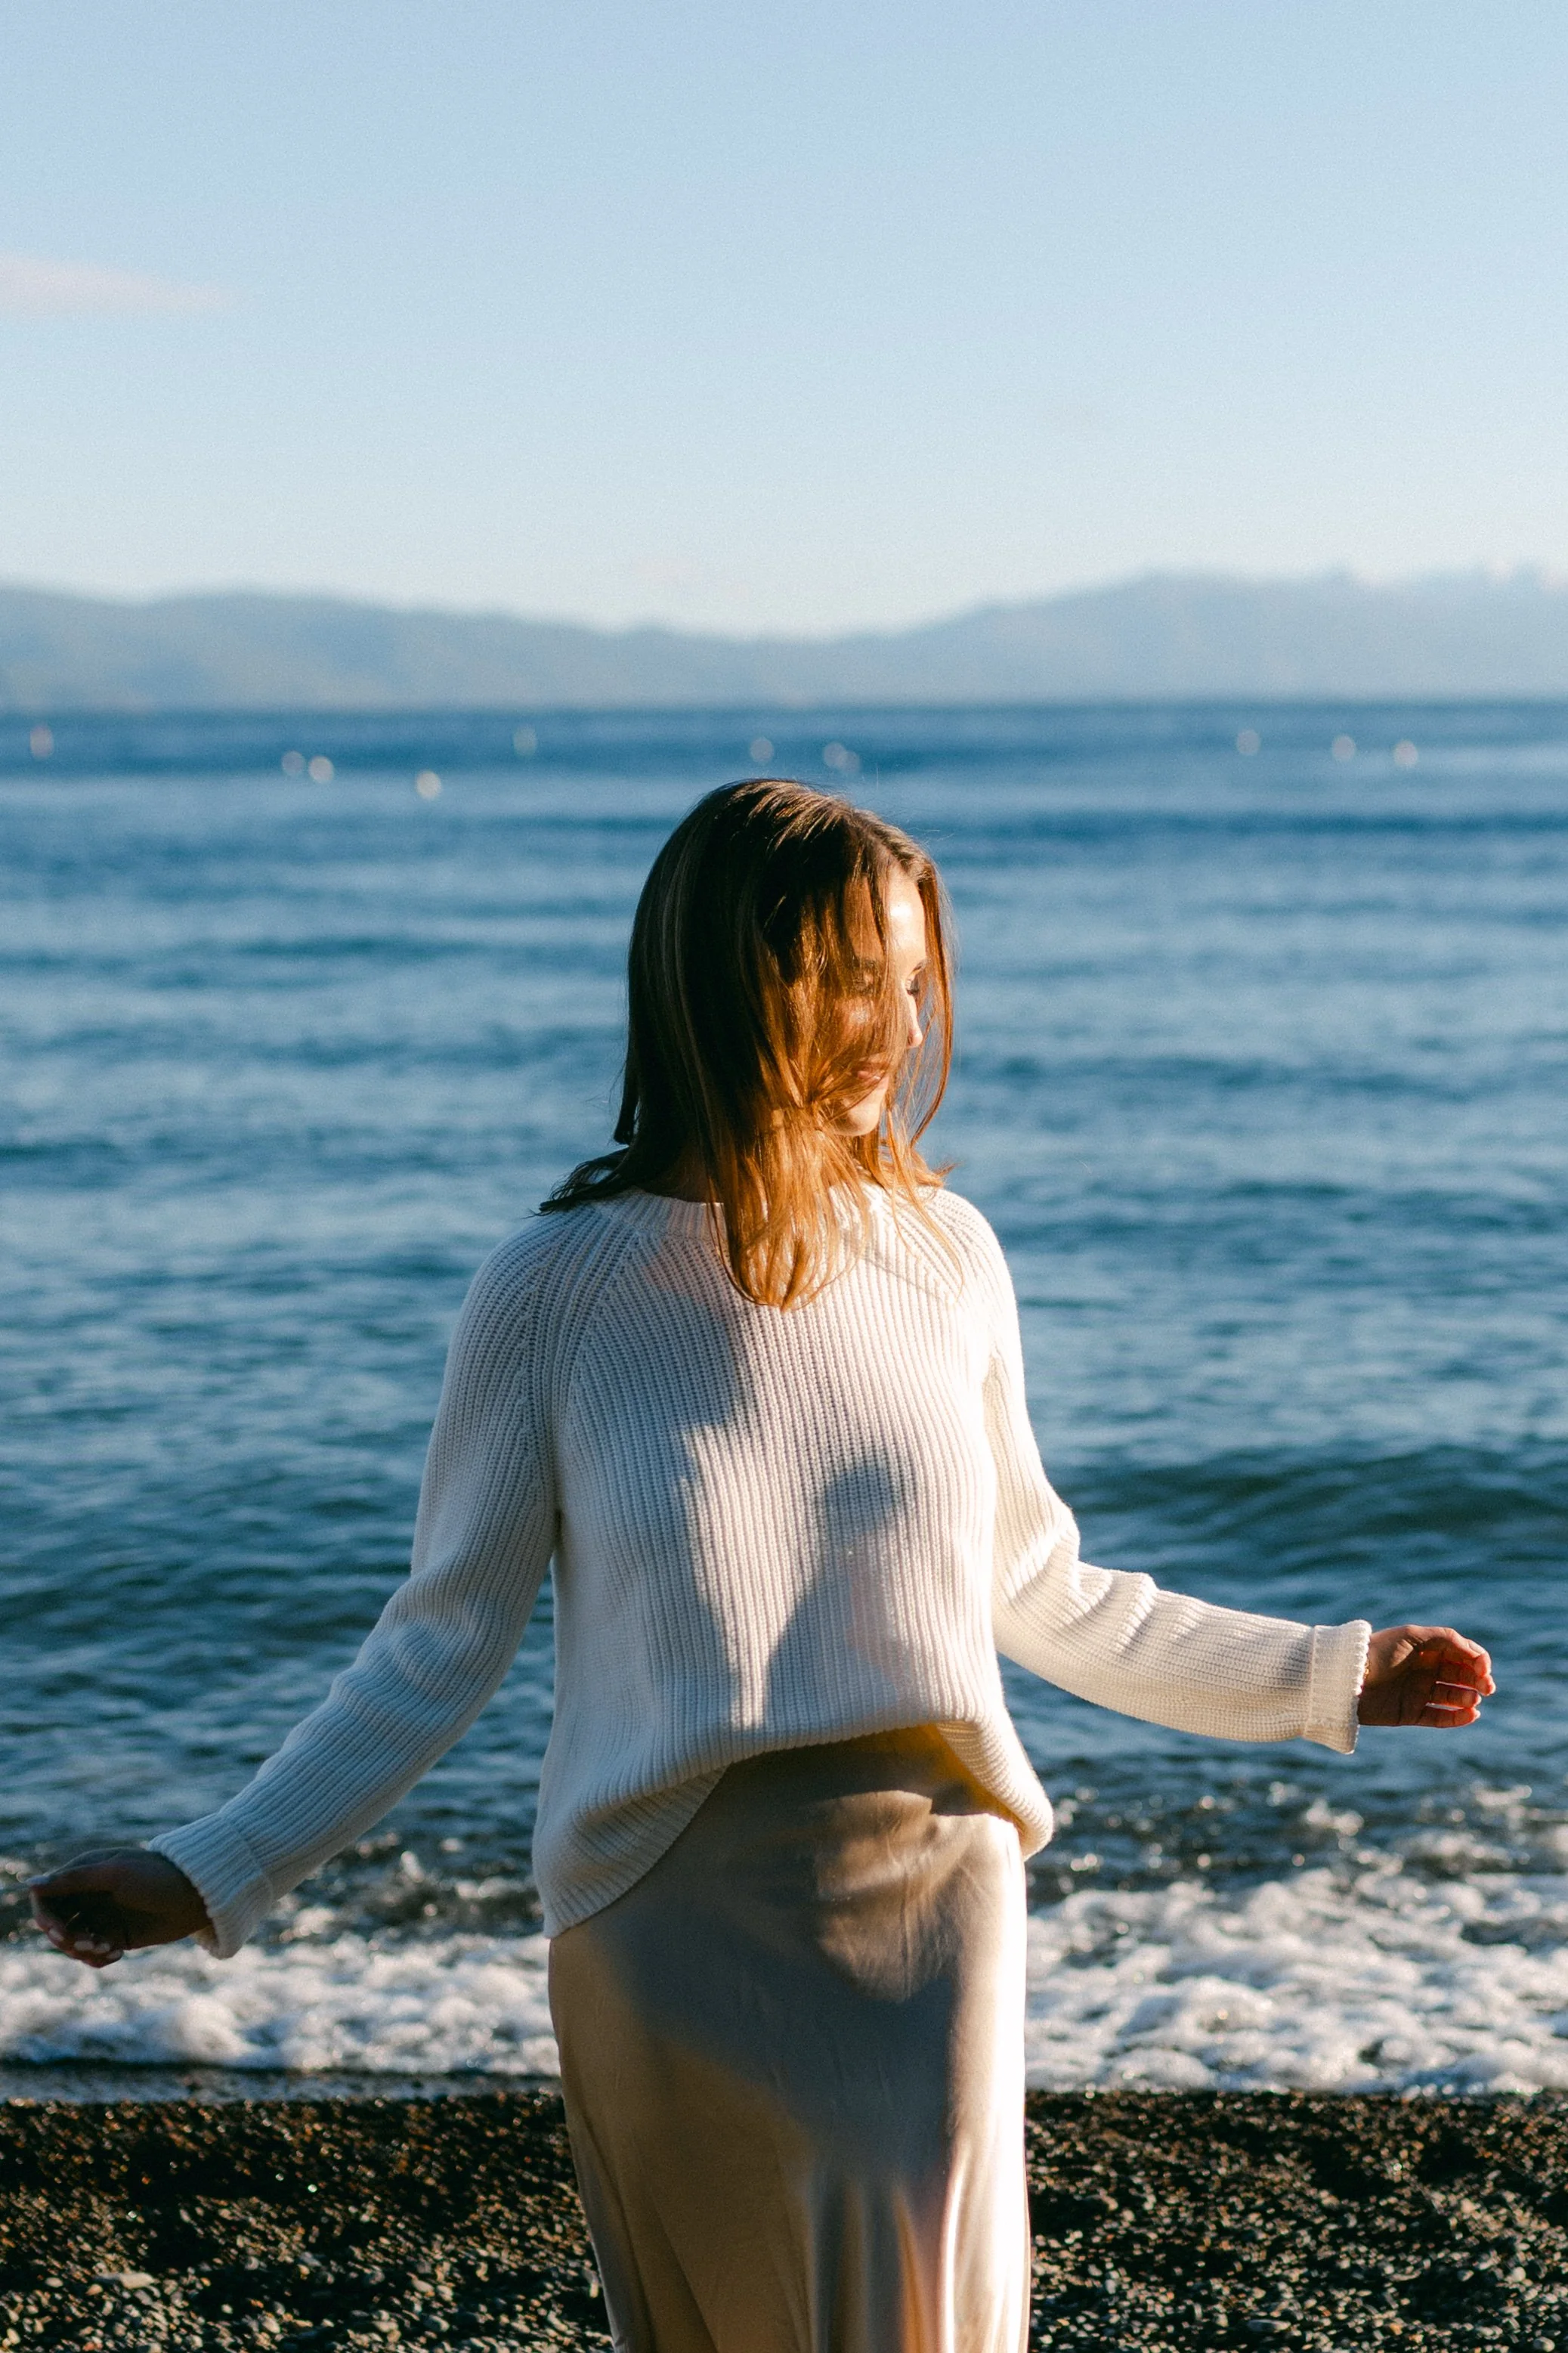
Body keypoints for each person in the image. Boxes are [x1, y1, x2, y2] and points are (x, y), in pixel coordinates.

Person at [33, 779, 1493, 2353]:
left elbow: (1044, 1587)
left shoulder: (946, 1257)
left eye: (914, 982)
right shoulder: (553, 1287)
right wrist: (216, 1862)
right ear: (733, 977)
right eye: (853, 978)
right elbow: (438, 1642)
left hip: (931, 1899)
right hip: (663, 1912)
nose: (894, 1026)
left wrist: (1324, 1673)